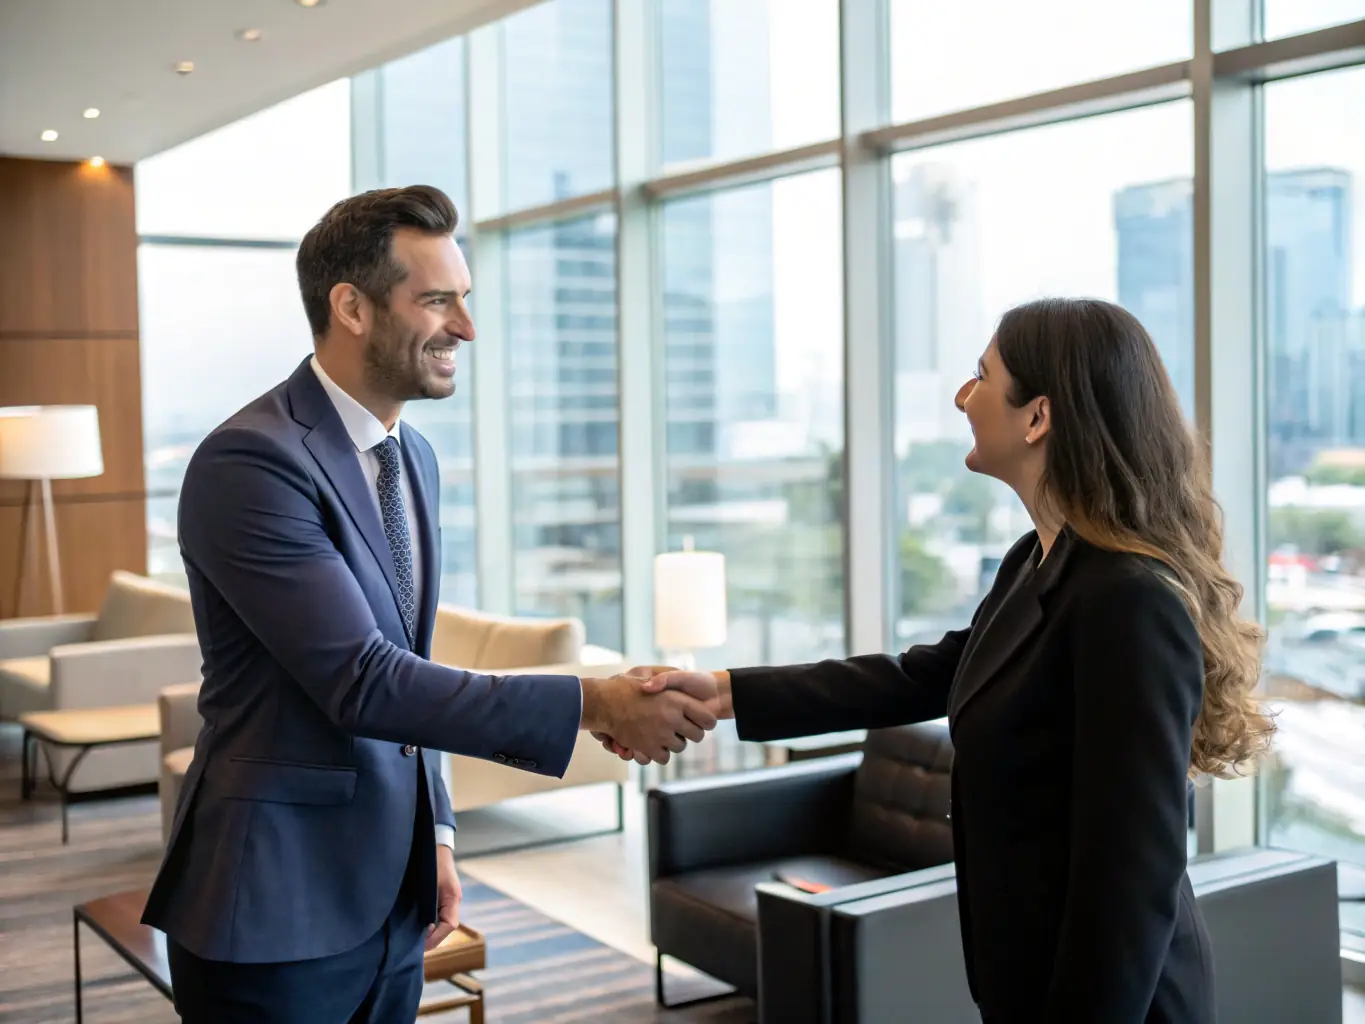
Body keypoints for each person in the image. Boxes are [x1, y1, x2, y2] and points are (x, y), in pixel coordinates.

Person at [599, 297, 1276, 1023]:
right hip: (1022, 977)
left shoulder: (1126, 600)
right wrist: (726, 691)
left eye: (980, 376)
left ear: (1036, 417)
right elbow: (926, 674)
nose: (961, 396)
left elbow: (1130, 875)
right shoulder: (1038, 560)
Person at [141, 184, 715, 1024]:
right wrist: (592, 697)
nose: (466, 329)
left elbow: (409, 663)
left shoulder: (413, 458)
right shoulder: (249, 463)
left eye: (465, 299)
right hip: (274, 903)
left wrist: (436, 831)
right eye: (437, 300)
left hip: (393, 892)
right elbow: (364, 681)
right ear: (352, 307)